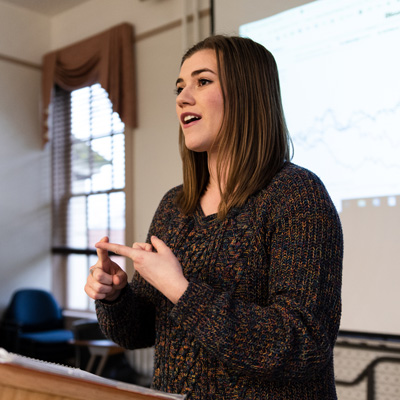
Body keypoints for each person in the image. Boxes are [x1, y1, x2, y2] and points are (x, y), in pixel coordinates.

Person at [85, 35, 343, 399]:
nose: (182, 97)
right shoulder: (175, 206)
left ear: (246, 93)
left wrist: (180, 289)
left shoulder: (296, 195)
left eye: (202, 82)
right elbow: (139, 334)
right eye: (179, 87)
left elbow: (303, 344)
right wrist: (115, 297)